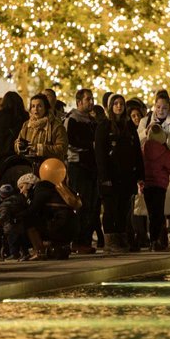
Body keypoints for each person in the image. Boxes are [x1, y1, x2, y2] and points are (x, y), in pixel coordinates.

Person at [138, 92, 170, 250]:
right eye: (158, 106)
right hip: (151, 169)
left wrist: (166, 137)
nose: (161, 110)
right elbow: (138, 140)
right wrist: (146, 133)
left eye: (165, 107)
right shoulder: (145, 120)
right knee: (156, 210)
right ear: (154, 106)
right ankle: (159, 240)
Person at [95, 93, 144, 253]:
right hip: (110, 176)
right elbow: (100, 154)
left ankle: (122, 238)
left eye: (121, 103)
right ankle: (110, 240)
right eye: (115, 103)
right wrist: (104, 177)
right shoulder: (104, 126)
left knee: (124, 209)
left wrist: (140, 175)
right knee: (110, 209)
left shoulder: (129, 126)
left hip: (127, 176)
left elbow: (136, 151)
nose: (118, 106)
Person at [65, 88, 100, 254]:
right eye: (88, 99)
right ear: (79, 102)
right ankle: (77, 240)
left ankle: (85, 239)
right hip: (78, 166)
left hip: (92, 166)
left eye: (92, 99)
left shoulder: (92, 121)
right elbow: (70, 142)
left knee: (92, 205)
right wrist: (88, 147)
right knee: (81, 203)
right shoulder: (72, 119)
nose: (91, 102)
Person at [17, 93, 68, 162]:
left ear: (46, 108)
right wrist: (19, 145)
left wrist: (40, 148)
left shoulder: (56, 126)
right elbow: (18, 140)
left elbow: (62, 148)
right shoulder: (27, 124)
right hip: (29, 164)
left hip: (50, 166)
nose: (36, 109)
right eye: (33, 106)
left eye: (39, 106)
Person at [0, 183, 29, 260]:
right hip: (21, 224)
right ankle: (25, 253)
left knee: (12, 241)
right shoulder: (19, 200)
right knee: (22, 240)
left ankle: (14, 254)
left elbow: (4, 214)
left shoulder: (4, 204)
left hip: (11, 226)